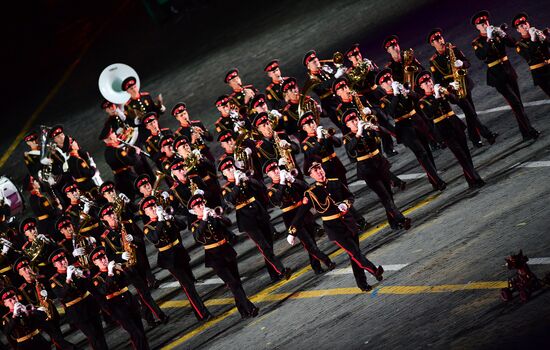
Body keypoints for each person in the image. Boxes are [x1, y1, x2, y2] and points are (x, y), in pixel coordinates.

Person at [289, 162, 384, 292]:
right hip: (334, 228)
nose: (319, 172)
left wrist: (346, 204)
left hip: (348, 223)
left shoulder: (335, 182)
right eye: (315, 171)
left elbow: (350, 196)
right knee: (355, 253)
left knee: (354, 254)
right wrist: (292, 231)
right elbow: (301, 214)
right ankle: (375, 271)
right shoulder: (311, 193)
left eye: (320, 168)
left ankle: (362, 284)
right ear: (311, 175)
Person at [219, 157, 292, 283]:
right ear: (224, 174)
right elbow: (230, 200)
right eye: (228, 169)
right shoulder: (226, 188)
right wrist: (237, 183)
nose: (231, 169)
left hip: (259, 213)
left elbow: (261, 188)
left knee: (269, 245)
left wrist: (249, 179)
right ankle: (282, 270)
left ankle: (274, 274)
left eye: (232, 167)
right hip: (247, 220)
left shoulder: (244, 178)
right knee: (264, 247)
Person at [471, 10, 540, 141]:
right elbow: (482, 55)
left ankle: (525, 132)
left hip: (508, 70)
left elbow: (513, 44)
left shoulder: (496, 32)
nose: (485, 24)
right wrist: (489, 38)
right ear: (477, 27)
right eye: (481, 24)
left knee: (518, 103)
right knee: (515, 103)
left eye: (485, 22)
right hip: (496, 75)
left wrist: (503, 34)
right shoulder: (477, 42)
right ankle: (529, 130)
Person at [141, 196, 212, 322]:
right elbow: (155, 238)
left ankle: (199, 312)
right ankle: (202, 314)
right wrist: (161, 220)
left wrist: (171, 218)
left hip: (179, 252)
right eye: (150, 208)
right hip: (168, 257)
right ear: (146, 212)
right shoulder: (148, 227)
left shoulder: (165, 218)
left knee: (190, 282)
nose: (153, 208)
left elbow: (183, 225)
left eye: (154, 206)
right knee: (187, 285)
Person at [188, 194, 260, 319]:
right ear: (194, 211)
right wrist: (204, 219)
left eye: (202, 204)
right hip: (214, 257)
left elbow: (228, 223)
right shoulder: (195, 225)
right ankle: (250, 307)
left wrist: (218, 216)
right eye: (198, 206)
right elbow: (198, 237)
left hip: (226, 251)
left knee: (237, 282)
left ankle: (243, 311)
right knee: (232, 283)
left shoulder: (212, 217)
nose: (201, 206)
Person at [375, 68, 447, 191]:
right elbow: (391, 112)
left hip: (417, 122)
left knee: (427, 152)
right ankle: (438, 181)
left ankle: (434, 180)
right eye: (386, 81)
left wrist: (407, 92)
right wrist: (397, 95)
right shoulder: (384, 100)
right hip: (404, 128)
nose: (389, 82)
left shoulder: (402, 89)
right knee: (421, 154)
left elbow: (417, 99)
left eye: (390, 79)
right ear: (381, 86)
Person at [98, 204, 168, 326]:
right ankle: (161, 316)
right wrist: (121, 257)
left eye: (113, 213)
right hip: (127, 267)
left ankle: (149, 319)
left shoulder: (128, 224)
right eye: (109, 215)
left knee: (144, 293)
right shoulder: (105, 237)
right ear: (104, 219)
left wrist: (133, 238)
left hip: (139, 261)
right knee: (144, 293)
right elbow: (108, 257)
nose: (113, 216)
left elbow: (142, 238)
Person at [427, 28, 498, 148]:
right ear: (432, 44)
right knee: (470, 112)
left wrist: (462, 64)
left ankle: (475, 139)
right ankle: (487, 134)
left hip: (464, 83)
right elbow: (437, 81)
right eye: (436, 40)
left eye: (440, 38)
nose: (439, 41)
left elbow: (467, 62)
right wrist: (449, 87)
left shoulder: (453, 49)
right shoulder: (433, 61)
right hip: (453, 90)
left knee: (470, 112)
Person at [342, 109, 412, 230]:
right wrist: (358, 132)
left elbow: (385, 133)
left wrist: (376, 127)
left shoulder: (367, 129)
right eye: (352, 121)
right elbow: (350, 150)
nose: (355, 121)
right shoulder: (347, 137)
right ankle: (401, 219)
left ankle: (393, 222)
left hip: (380, 164)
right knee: (384, 195)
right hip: (367, 169)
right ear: (348, 125)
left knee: (389, 194)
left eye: (355, 119)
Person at [417, 71, 487, 189]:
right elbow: (430, 114)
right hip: (443, 129)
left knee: (466, 153)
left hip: (455, 124)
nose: (429, 83)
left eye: (429, 81)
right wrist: (438, 97)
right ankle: (476, 179)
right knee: (461, 156)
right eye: (425, 83)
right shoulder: (423, 102)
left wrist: (450, 91)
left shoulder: (441, 90)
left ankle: (471, 180)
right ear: (421, 87)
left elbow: (456, 100)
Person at [264, 160, 335, 274]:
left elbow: (307, 188)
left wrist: (294, 180)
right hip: (291, 217)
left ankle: (316, 267)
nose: (276, 171)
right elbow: (277, 200)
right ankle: (327, 261)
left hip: (304, 213)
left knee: (312, 241)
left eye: (276, 168)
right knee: (309, 244)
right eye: (272, 171)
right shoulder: (271, 190)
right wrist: (282, 182)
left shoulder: (289, 180)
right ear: (268, 175)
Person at [89, 246, 150, 350]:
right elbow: (104, 290)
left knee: (141, 331)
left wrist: (126, 267)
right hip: (117, 308)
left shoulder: (116, 268)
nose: (104, 260)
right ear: (95, 263)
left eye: (104, 257)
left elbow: (130, 278)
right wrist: (110, 273)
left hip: (129, 301)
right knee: (135, 333)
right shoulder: (97, 279)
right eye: (100, 259)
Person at [48, 248, 109, 350]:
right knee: (93, 337)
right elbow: (61, 295)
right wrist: (68, 279)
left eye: (64, 259)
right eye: (59, 261)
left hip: (89, 305)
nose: (63, 262)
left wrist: (84, 275)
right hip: (76, 312)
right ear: (54, 265)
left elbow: (90, 284)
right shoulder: (54, 280)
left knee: (100, 334)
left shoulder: (76, 268)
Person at [14, 256, 76, 350]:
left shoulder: (42, 278)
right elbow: (25, 306)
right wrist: (36, 309)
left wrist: (47, 295)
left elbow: (54, 293)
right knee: (56, 336)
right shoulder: (21, 290)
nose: (28, 270)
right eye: (24, 269)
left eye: (29, 267)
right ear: (20, 273)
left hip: (51, 310)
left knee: (57, 335)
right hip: (38, 315)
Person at [303, 50, 347, 131]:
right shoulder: (311, 80)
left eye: (317, 61)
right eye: (314, 63)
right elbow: (323, 86)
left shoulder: (323, 71)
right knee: (344, 126)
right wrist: (336, 75)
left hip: (339, 98)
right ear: (308, 67)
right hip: (330, 105)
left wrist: (334, 71)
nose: (317, 63)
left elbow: (335, 80)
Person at [511, 12, 550, 97]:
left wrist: (545, 38)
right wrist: (533, 40)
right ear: (518, 30)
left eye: (525, 23)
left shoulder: (538, 34)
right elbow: (529, 56)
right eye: (521, 26)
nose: (525, 26)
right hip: (540, 73)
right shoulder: (519, 44)